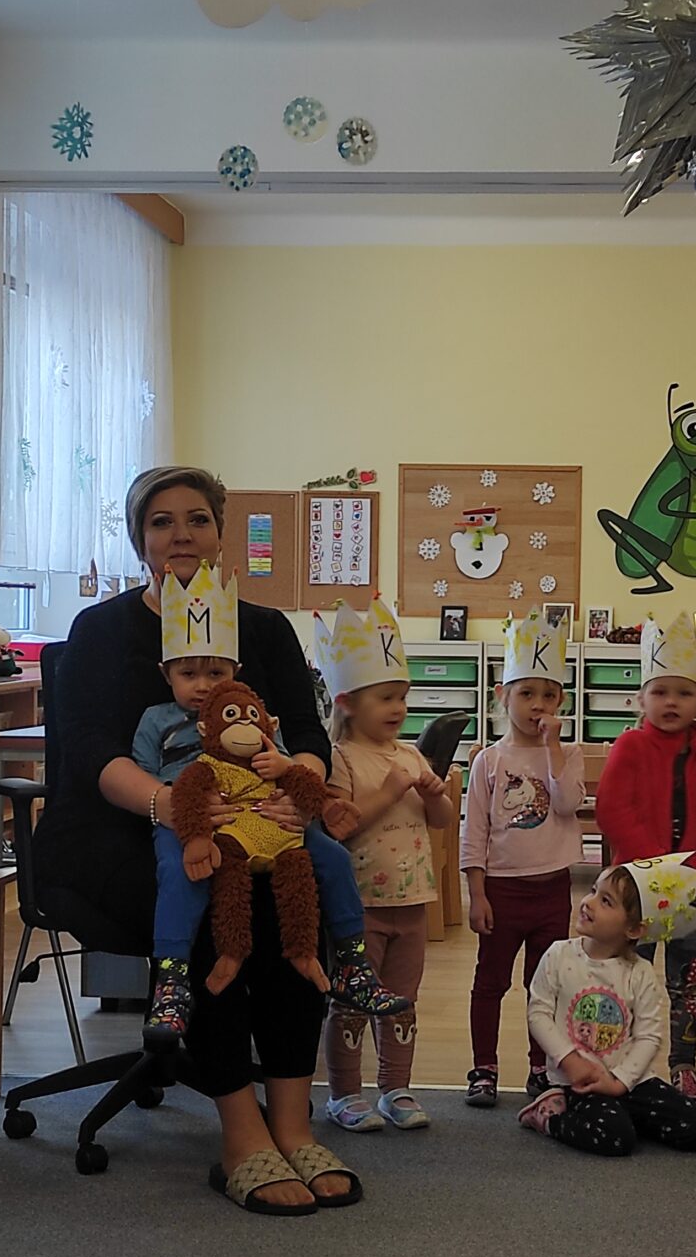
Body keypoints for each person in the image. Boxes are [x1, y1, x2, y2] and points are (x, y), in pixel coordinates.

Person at [41, 465, 360, 1217]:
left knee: (295, 894)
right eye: (161, 521)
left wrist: (295, 796)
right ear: (139, 539)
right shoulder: (101, 631)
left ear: (221, 534)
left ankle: (292, 1122)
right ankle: (242, 1134)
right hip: (119, 829)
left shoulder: (266, 629)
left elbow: (307, 733)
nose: (180, 534)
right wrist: (171, 807)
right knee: (220, 892)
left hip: (255, 816)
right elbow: (87, 750)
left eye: (197, 519)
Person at [131, 562, 401, 1041]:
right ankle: (171, 983)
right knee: (178, 872)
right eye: (188, 673)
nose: (203, 685)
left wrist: (295, 785)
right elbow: (144, 774)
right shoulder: (157, 720)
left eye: (216, 672)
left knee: (334, 858)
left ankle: (351, 964)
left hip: (263, 816)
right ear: (165, 673)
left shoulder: (253, 719)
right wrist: (180, 808)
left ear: (236, 673)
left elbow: (285, 765)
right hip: (193, 821)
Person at [593, 613, 696, 1099]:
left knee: (687, 980)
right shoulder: (629, 748)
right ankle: (618, 1059)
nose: (671, 702)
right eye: (660, 692)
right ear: (641, 699)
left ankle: (683, 1063)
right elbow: (614, 810)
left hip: (692, 891)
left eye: (683, 693)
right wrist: (655, 869)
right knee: (623, 973)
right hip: (633, 892)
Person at [315, 599, 452, 1133]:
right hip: (359, 907)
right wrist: (391, 790)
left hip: (412, 902)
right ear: (348, 702)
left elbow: (439, 821)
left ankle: (395, 1088)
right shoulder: (341, 758)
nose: (398, 707)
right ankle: (344, 1094)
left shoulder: (411, 754)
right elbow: (339, 827)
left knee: (402, 1002)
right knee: (350, 1002)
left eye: (402, 696)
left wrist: (436, 795)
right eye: (386, 697)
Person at [461, 613, 586, 1108]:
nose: (538, 705)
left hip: (552, 890)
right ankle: (483, 1068)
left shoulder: (568, 752)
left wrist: (553, 747)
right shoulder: (488, 761)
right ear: (502, 695)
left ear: (561, 702)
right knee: (490, 982)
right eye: (526, 693)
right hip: (502, 890)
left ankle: (541, 1066)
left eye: (549, 695)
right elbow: (473, 833)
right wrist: (476, 894)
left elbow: (567, 804)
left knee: (545, 985)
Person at [517, 858, 696, 1158]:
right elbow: (538, 1014)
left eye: (606, 901)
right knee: (616, 1139)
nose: (589, 902)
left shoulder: (640, 972)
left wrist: (619, 1082)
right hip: (579, 1082)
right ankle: (548, 1117)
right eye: (593, 890)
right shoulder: (559, 956)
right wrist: (571, 1061)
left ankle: (623, 1115)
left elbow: (649, 1036)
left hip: (630, 1081)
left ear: (634, 929)